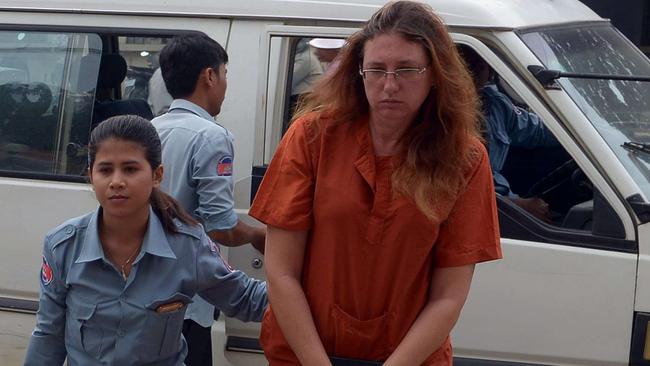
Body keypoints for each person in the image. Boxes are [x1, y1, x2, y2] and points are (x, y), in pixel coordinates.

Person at [249, 1, 502, 365]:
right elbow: (281, 271)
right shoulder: (312, 137)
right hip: (302, 355)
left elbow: (448, 296)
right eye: (377, 70)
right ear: (359, 73)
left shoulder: (465, 159)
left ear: (435, 75)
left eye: (407, 69)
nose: (390, 85)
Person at [24, 115, 267, 366]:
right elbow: (48, 336)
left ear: (157, 175)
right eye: (105, 170)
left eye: (130, 169)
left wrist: (302, 286)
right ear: (91, 176)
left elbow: (246, 299)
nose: (116, 181)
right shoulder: (63, 247)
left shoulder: (188, 245)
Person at [151, 33, 266, 366]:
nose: (226, 84)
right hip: (188, 298)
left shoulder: (150, 127)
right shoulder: (211, 136)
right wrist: (260, 236)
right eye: (225, 73)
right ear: (210, 76)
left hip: (146, 289)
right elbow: (220, 228)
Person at [458, 45, 560, 222]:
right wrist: (519, 206)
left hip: (501, 203)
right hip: (480, 214)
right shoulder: (436, 118)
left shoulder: (495, 105)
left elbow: (538, 131)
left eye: (478, 64)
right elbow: (457, 194)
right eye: (463, 64)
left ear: (489, 70)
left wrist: (592, 134)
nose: (470, 72)